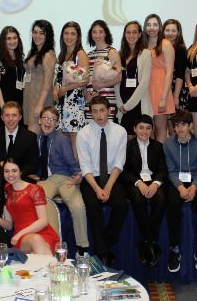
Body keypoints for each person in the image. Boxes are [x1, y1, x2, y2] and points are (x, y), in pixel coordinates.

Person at [77, 96, 129, 267]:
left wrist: (106, 188)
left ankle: (106, 241)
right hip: (92, 178)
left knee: (122, 205)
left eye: (102, 111)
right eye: (94, 111)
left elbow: (118, 163)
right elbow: (85, 167)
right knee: (92, 206)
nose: (98, 115)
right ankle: (102, 252)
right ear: (90, 113)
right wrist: (97, 189)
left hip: (112, 177)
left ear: (109, 111)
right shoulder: (83, 133)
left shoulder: (120, 131)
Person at [36, 107, 90, 255]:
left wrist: (77, 176)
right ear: (39, 121)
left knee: (78, 205)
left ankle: (82, 247)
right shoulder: (36, 138)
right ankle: (52, 243)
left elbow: (72, 161)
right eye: (46, 118)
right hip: (47, 179)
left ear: (57, 123)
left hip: (65, 177)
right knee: (41, 200)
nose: (49, 122)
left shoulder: (61, 140)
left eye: (53, 119)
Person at [163, 110, 197, 272]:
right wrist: (181, 187)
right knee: (173, 204)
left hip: (196, 180)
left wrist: (195, 187)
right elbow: (171, 170)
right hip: (177, 182)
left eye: (183, 125)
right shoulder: (168, 144)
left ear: (190, 126)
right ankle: (174, 248)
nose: (180, 129)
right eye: (176, 125)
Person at [123, 115, 167, 267]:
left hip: (152, 180)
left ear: (152, 130)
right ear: (134, 129)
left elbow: (162, 170)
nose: (144, 131)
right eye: (141, 128)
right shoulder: (127, 146)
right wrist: (138, 183)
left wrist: (155, 184)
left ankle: (147, 240)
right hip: (134, 181)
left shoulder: (158, 146)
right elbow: (125, 170)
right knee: (137, 200)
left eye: (148, 128)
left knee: (161, 200)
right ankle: (150, 241)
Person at [3, 158, 59, 254]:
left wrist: (19, 234)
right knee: (36, 241)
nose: (10, 175)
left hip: (42, 233)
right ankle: (52, 266)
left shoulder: (34, 189)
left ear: (21, 172)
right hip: (23, 239)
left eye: (14, 171)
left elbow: (43, 221)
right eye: (6, 171)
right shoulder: (6, 189)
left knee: (36, 244)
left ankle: (50, 266)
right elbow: (9, 223)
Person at [54, 21, 89, 158]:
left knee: (74, 140)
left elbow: (85, 79)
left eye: (73, 34)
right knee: (64, 139)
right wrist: (54, 89)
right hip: (61, 102)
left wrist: (65, 88)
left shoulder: (80, 54)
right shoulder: (62, 54)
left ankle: (79, 174)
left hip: (73, 102)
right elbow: (57, 77)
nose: (69, 37)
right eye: (66, 33)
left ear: (78, 36)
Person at [116, 21, 152, 135]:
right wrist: (120, 104)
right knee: (125, 141)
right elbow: (116, 82)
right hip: (123, 106)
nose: (131, 35)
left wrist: (128, 105)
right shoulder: (120, 54)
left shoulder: (145, 53)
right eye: (128, 32)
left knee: (139, 140)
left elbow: (144, 82)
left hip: (138, 104)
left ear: (140, 34)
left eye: (134, 32)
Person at [143, 14, 175, 142]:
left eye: (155, 25)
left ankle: (160, 158)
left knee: (160, 128)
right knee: (148, 128)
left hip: (161, 89)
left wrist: (163, 98)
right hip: (146, 89)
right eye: (149, 25)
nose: (152, 28)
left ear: (160, 26)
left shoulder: (165, 44)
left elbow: (169, 73)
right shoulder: (143, 44)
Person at [23, 20, 56, 134]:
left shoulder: (48, 55)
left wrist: (40, 106)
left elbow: (47, 83)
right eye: (35, 32)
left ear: (48, 36)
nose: (37, 36)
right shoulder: (31, 53)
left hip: (40, 101)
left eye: (42, 33)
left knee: (32, 137)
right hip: (29, 98)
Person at [85, 20, 122, 121]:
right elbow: (86, 78)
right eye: (94, 32)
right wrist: (86, 94)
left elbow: (119, 77)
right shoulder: (88, 55)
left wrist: (101, 85)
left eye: (100, 32)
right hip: (91, 101)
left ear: (106, 33)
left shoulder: (111, 52)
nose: (97, 35)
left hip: (107, 99)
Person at [0, 26, 25, 116]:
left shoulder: (20, 58)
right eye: (8, 39)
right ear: (3, 41)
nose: (12, 41)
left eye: (15, 38)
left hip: (18, 102)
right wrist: (3, 108)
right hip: (4, 103)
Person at [162, 19, 188, 111]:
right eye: (167, 30)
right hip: (162, 86)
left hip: (175, 89)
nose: (170, 33)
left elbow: (180, 75)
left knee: (175, 122)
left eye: (173, 31)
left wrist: (176, 96)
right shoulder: (159, 48)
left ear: (178, 33)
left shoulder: (180, 50)